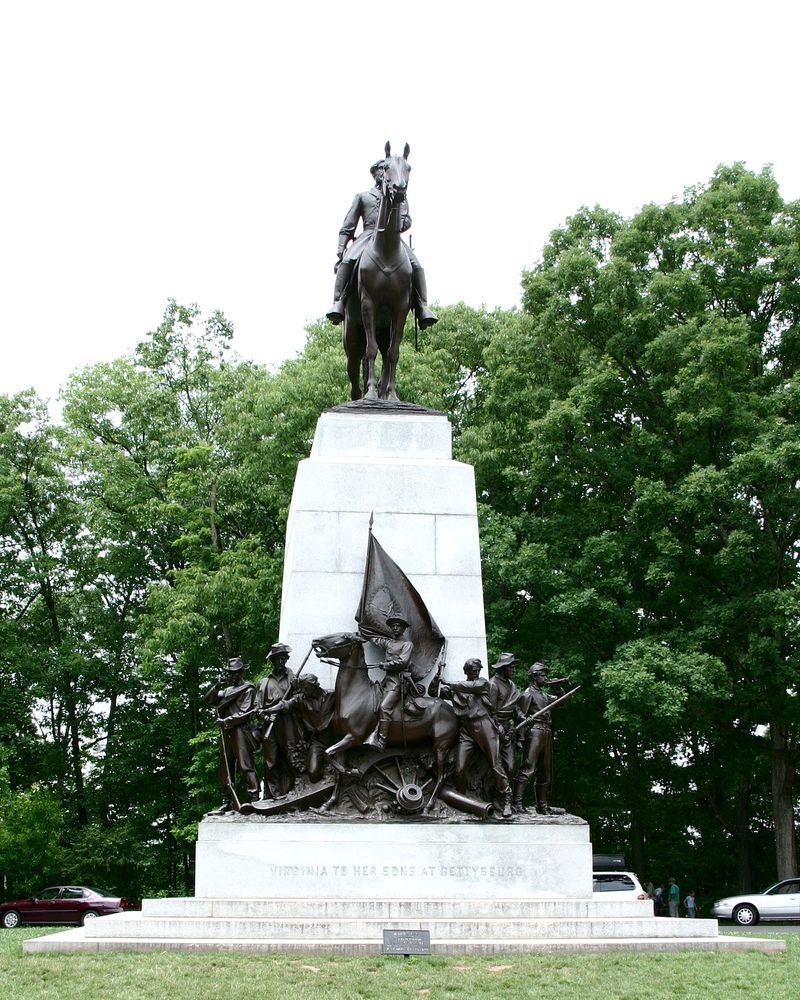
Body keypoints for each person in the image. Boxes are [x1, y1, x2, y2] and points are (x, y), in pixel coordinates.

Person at [326, 157, 437, 329]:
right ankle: (338, 302)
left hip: (393, 237)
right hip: (367, 236)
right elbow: (348, 225)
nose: (381, 174)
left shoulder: (398, 195)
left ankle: (422, 306)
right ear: (375, 174)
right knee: (348, 261)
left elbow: (407, 219)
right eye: (379, 170)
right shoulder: (362, 197)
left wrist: (400, 223)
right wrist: (341, 248)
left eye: (383, 170)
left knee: (416, 265)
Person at [436, 658, 512, 817]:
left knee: (495, 764)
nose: (476, 672)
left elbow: (470, 687)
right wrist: (438, 675)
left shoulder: (482, 683)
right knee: (459, 769)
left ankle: (507, 799)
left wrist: (447, 682)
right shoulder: (457, 689)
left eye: (478, 669)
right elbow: (433, 691)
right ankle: (462, 802)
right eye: (472, 670)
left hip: (484, 725)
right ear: (466, 671)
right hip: (466, 729)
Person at [513, 662, 572, 814]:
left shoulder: (545, 695)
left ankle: (542, 805)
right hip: (534, 731)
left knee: (545, 771)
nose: (546, 678)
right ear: (534, 677)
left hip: (546, 732)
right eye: (543, 675)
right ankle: (517, 803)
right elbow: (520, 717)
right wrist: (520, 740)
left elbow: (563, 702)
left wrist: (558, 687)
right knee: (528, 768)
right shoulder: (528, 694)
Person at [204, 656, 260, 811]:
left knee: (245, 765)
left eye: (235, 672)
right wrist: (217, 686)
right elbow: (209, 700)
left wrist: (226, 721)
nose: (232, 675)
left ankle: (255, 797)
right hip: (226, 732)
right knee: (225, 768)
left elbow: (245, 713)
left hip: (240, 731)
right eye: (230, 672)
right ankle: (227, 800)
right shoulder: (227, 691)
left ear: (241, 672)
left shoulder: (248, 689)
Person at [363, 611, 415, 750]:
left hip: (398, 682)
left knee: (384, 707)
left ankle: (381, 742)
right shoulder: (389, 642)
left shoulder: (407, 644)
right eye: (393, 626)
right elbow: (375, 639)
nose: (395, 628)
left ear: (403, 628)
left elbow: (403, 661)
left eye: (398, 626)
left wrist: (386, 665)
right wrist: (361, 631)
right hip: (386, 680)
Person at [257, 643, 301, 797]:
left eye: (283, 658)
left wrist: (287, 705)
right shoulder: (264, 682)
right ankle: (274, 795)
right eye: (278, 658)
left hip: (288, 721)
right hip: (270, 724)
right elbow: (257, 708)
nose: (281, 661)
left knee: (291, 755)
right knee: (271, 760)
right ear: (273, 660)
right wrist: (266, 717)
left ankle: (293, 791)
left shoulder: (293, 678)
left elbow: (299, 698)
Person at [486, 652, 524, 780]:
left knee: (510, 767)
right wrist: (497, 726)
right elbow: (490, 710)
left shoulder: (512, 685)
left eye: (514, 667)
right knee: (494, 766)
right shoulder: (493, 684)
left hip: (507, 731)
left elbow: (515, 707)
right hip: (494, 730)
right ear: (503, 668)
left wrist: (521, 716)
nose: (514, 670)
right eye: (511, 667)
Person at [293, 673, 336, 783]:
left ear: (314, 686)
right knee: (313, 774)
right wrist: (267, 711)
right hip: (317, 741)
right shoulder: (301, 699)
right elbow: (285, 705)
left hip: (334, 738)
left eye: (305, 688)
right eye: (302, 688)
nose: (303, 691)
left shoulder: (331, 695)